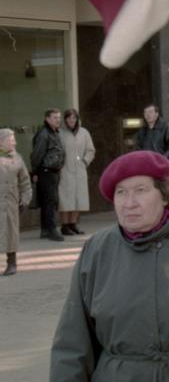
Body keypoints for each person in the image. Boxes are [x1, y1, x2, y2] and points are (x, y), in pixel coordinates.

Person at [50, 151, 169, 380]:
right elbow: (73, 339)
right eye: (121, 192)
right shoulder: (97, 250)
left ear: (165, 196)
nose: (129, 203)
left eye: (140, 191)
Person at [58, 109, 95, 236]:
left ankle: (73, 224)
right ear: (65, 119)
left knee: (79, 198)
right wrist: (59, 165)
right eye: (69, 118)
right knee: (65, 199)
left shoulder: (84, 132)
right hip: (65, 170)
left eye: (74, 118)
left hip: (79, 170)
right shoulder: (60, 133)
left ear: (77, 119)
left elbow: (90, 150)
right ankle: (64, 225)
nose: (71, 120)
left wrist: (85, 161)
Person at [0, 129, 32, 275]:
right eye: (11, 140)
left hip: (11, 201)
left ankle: (12, 263)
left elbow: (25, 182)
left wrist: (25, 200)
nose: (15, 142)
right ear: (1, 142)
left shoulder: (17, 158)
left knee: (11, 233)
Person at [32, 108, 66, 241]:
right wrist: (35, 171)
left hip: (53, 171)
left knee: (48, 201)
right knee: (50, 201)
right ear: (47, 119)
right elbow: (37, 154)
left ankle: (45, 230)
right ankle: (52, 230)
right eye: (55, 118)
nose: (58, 120)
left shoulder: (54, 132)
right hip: (46, 171)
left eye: (59, 117)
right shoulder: (44, 134)